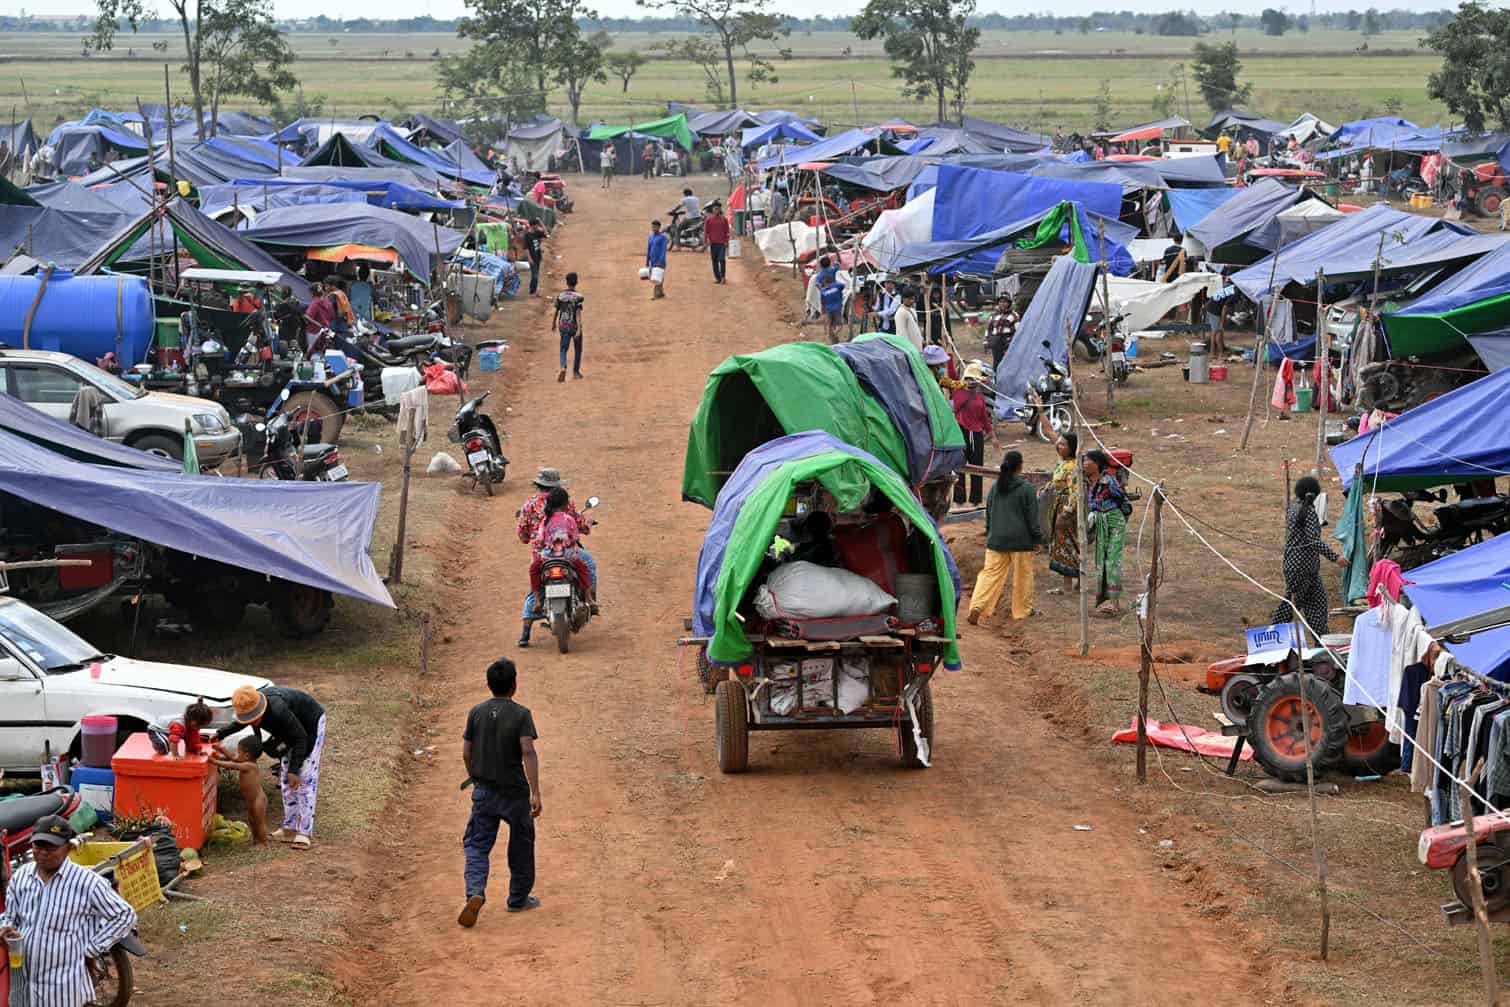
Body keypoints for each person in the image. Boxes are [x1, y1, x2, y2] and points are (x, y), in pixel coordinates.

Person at [0, 815, 137, 1007]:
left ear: (68, 847)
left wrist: (92, 949)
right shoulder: (22, 875)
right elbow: (11, 916)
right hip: (23, 982)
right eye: (38, 846)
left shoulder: (87, 882)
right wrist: (5, 929)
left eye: (51, 847)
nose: (43, 853)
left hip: (62, 989)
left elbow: (125, 915)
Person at [458, 658, 541, 927]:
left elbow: (466, 752)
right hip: (515, 793)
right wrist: (535, 792)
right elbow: (527, 751)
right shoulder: (521, 714)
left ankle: (475, 893)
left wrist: (475, 777)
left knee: (477, 845)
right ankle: (518, 898)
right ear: (514, 686)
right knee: (522, 842)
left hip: (485, 792)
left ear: (488, 685)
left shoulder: (476, 712)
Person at [216, 684, 326, 850]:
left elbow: (300, 738)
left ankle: (304, 832)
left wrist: (294, 769)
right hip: (289, 731)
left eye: (253, 718)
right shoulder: (253, 710)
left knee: (304, 778)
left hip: (309, 726)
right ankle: (289, 828)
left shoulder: (278, 710)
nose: (251, 722)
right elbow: (240, 723)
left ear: (261, 709)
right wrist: (219, 734)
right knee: (286, 781)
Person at [516, 468, 596, 647]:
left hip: (543, 555)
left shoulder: (529, 505)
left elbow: (523, 536)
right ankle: (589, 598)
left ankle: (526, 631)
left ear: (539, 485)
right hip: (568, 554)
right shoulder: (568, 508)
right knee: (588, 564)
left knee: (534, 584)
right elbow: (578, 530)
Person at [968, 451, 1042, 624]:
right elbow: (1032, 518)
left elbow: (989, 511)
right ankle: (1022, 611)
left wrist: (989, 531)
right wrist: (1037, 539)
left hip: (996, 539)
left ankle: (977, 606)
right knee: (1023, 576)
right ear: (1020, 466)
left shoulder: (995, 486)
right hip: (1021, 541)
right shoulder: (1027, 489)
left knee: (989, 574)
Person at [1271, 475, 1348, 635]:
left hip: (1302, 567)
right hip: (1302, 569)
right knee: (1290, 606)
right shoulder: (1309, 513)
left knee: (1318, 603)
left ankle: (1322, 639)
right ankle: (1273, 636)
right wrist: (1336, 557)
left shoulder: (1292, 509)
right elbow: (1313, 541)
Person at [527, 486, 595, 601]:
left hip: (547, 558)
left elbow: (540, 539)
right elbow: (575, 537)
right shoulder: (569, 518)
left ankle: (537, 600)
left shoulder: (545, 520)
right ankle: (588, 597)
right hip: (567, 556)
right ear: (565, 504)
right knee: (583, 568)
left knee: (534, 570)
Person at [1084, 450, 1130, 616]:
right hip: (1101, 522)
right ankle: (1109, 600)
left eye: (1087, 461)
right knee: (1102, 561)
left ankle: (1115, 603)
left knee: (1112, 560)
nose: (1084, 464)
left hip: (1114, 521)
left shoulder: (1108, 480)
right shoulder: (1090, 481)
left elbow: (1121, 499)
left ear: (1096, 463)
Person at [210, 736, 270, 845]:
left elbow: (233, 764)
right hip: (251, 800)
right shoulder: (245, 761)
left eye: (239, 752)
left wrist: (215, 762)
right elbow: (233, 758)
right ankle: (256, 839)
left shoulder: (249, 766)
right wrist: (221, 749)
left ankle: (264, 842)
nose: (237, 755)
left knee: (259, 822)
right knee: (252, 820)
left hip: (258, 800)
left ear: (246, 755)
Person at [952, 363, 995, 507]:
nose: (971, 382)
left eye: (974, 379)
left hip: (976, 434)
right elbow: (950, 373)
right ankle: (959, 499)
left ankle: (975, 500)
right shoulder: (957, 389)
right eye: (969, 378)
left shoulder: (979, 396)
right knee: (960, 466)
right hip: (960, 432)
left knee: (977, 467)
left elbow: (984, 418)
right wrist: (949, 355)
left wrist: (992, 435)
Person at [1046, 432, 1081, 595]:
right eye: (1058, 443)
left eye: (1063, 444)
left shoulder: (1073, 467)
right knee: (1070, 544)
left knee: (1068, 544)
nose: (1058, 446)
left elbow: (1075, 491)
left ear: (1072, 447)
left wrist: (1066, 513)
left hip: (1068, 509)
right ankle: (1076, 583)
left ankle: (1068, 586)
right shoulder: (1064, 463)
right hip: (1061, 506)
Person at [552, 271, 586, 382]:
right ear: (576, 282)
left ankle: (563, 367)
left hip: (563, 325)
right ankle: (576, 372)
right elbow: (578, 314)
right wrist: (579, 329)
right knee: (578, 349)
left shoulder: (561, 296)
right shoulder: (579, 297)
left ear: (566, 282)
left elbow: (556, 311)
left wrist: (553, 324)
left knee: (563, 349)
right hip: (574, 326)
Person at [148, 698, 212, 756]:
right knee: (165, 746)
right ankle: (157, 745)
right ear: (193, 722)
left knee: (191, 738)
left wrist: (197, 750)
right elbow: (173, 740)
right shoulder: (178, 724)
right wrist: (176, 755)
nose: (199, 729)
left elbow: (194, 738)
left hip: (171, 730)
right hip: (157, 730)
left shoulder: (192, 725)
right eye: (199, 726)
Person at [985, 294, 1018, 372]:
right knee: (996, 362)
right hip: (995, 341)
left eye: (1005, 302)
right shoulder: (993, 315)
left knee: (1007, 362)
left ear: (1009, 303)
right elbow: (989, 329)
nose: (1002, 304)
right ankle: (996, 380)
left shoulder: (1014, 315)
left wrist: (1011, 343)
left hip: (1006, 341)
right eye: (1001, 302)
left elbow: (1017, 330)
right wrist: (986, 341)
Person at [816, 255, 844, 342]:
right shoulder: (832, 270)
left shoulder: (820, 275)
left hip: (826, 298)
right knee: (837, 322)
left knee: (829, 321)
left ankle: (831, 338)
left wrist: (823, 290)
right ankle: (834, 336)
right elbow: (838, 264)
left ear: (820, 265)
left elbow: (817, 284)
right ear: (829, 263)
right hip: (835, 297)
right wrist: (837, 255)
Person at [703, 199, 730, 284]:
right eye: (715, 209)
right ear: (712, 210)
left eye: (718, 209)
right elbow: (706, 231)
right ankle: (717, 278)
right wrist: (706, 241)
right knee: (714, 261)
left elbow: (727, 231)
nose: (716, 210)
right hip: (713, 243)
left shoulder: (724, 220)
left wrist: (727, 241)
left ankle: (723, 277)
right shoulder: (709, 220)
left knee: (722, 260)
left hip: (722, 243)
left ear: (720, 210)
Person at [646, 219, 669, 300]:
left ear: (659, 227)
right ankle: (661, 293)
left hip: (660, 262)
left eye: (655, 227)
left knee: (657, 278)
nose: (653, 228)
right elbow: (649, 249)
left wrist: (661, 261)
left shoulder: (663, 238)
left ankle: (655, 295)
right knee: (658, 278)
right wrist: (647, 261)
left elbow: (663, 251)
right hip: (653, 261)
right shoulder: (650, 237)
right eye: (652, 227)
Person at [524, 220, 547, 297]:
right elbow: (526, 248)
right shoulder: (527, 235)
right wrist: (529, 258)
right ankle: (532, 291)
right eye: (536, 225)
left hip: (538, 257)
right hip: (532, 257)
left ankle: (534, 291)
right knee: (534, 275)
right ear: (532, 225)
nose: (537, 226)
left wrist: (541, 222)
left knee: (536, 274)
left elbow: (546, 233)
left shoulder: (536, 233)